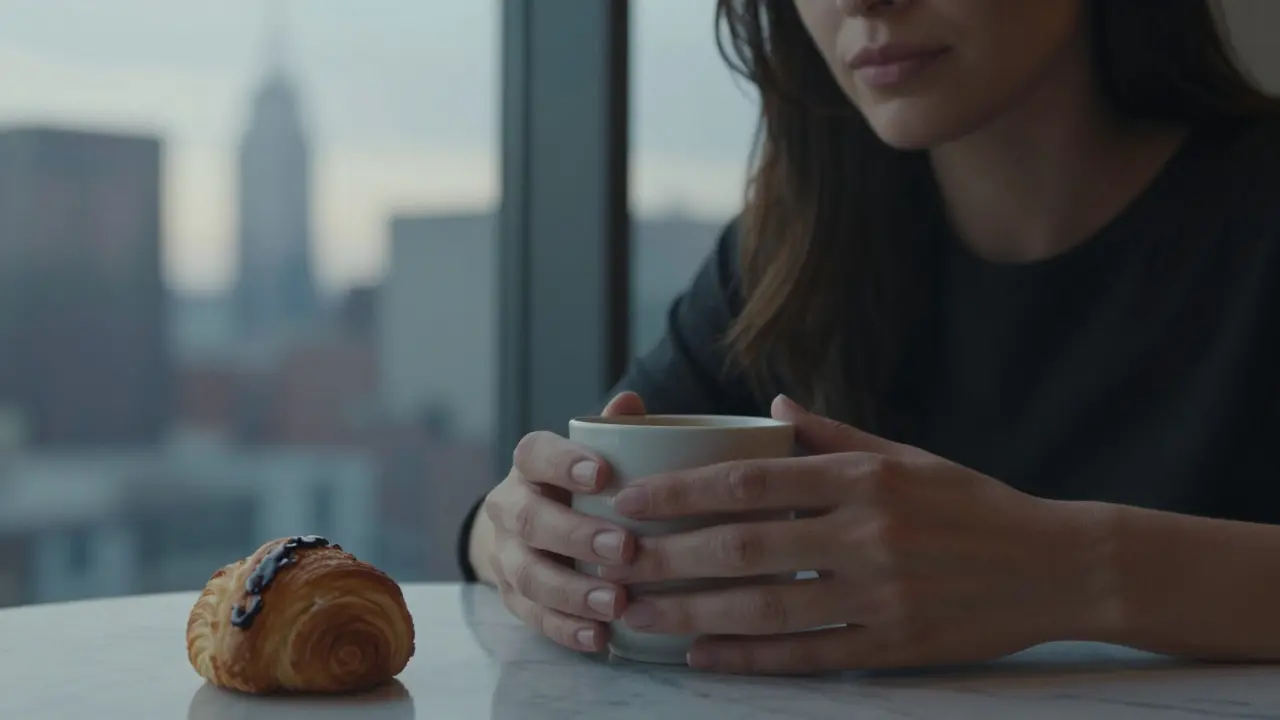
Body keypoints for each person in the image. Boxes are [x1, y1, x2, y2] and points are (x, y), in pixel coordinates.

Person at [459, 0, 1280, 675]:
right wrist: (519, 537)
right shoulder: (795, 255)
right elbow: (553, 507)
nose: (860, 3)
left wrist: (1077, 570)